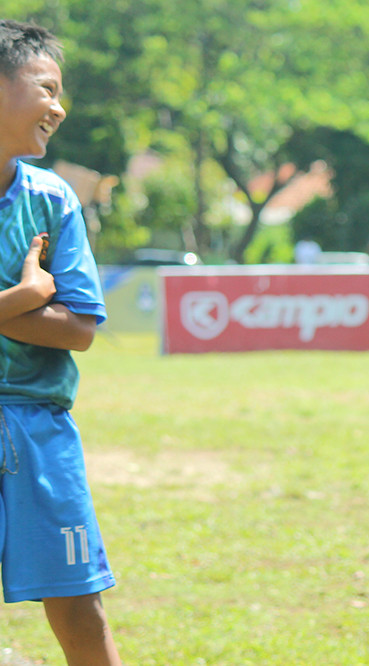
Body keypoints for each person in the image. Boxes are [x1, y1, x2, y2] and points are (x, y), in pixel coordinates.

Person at [0, 20, 122, 665]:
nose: (59, 105)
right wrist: (21, 299)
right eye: (44, 86)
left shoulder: (52, 199)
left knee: (78, 603)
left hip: (38, 425)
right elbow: (48, 311)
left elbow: (78, 329)